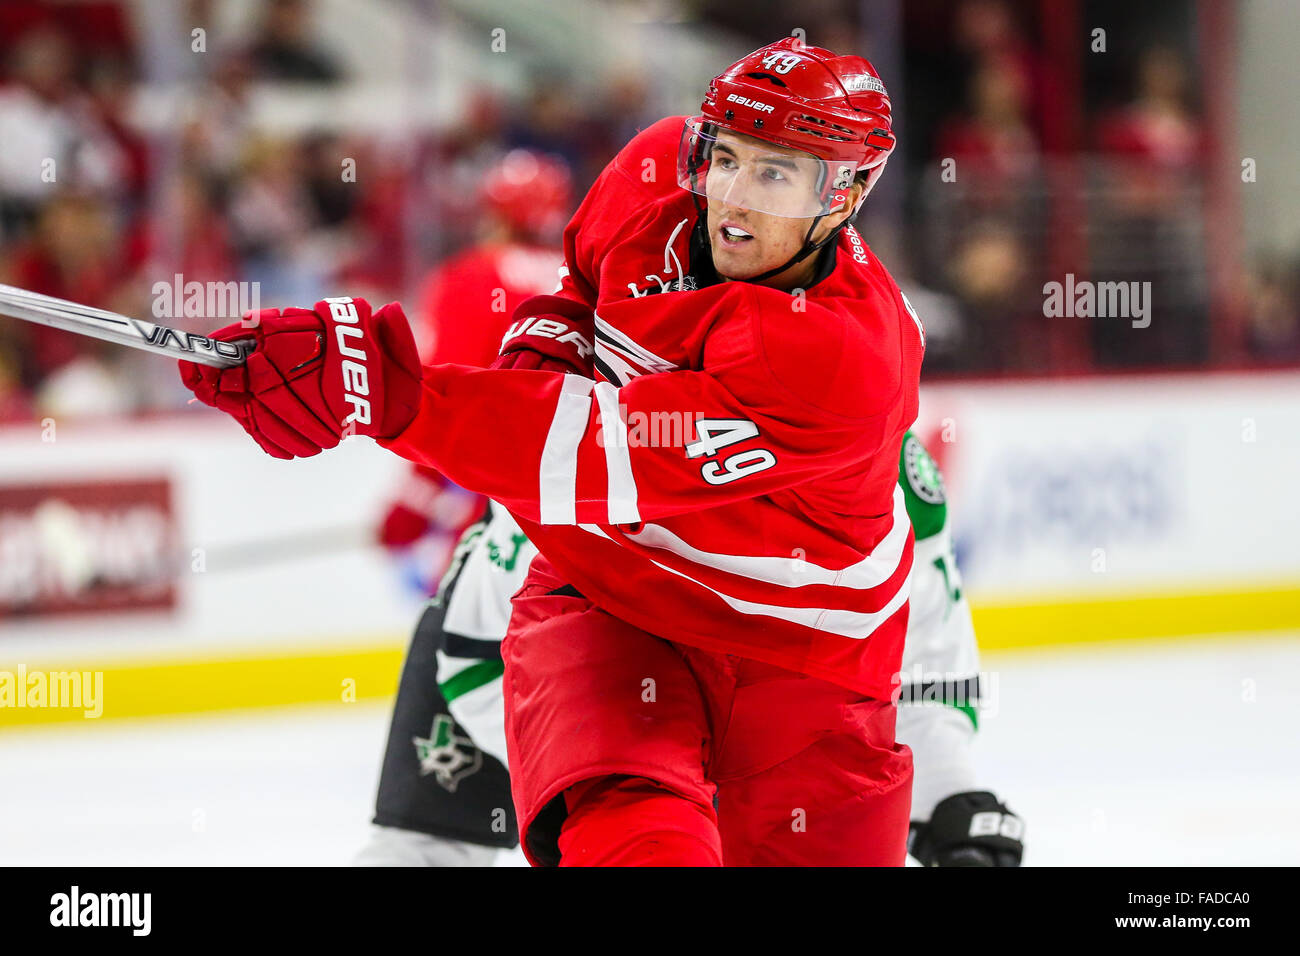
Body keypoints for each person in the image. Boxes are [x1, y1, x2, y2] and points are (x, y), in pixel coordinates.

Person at [180, 38, 926, 866]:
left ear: (849, 190)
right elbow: (578, 297)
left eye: (776, 174)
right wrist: (523, 379)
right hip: (609, 606)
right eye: (726, 157)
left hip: (807, 663)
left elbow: (597, 457)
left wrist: (380, 392)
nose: (732, 199)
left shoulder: (839, 357)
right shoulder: (650, 178)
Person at [356, 429, 1024, 867]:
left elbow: (923, 660)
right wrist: (649, 799)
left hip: (717, 694)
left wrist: (950, 799)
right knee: (419, 856)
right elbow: (483, 654)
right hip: (503, 657)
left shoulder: (886, 469)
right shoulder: (618, 444)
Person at [375, 150, 571, 572]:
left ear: (494, 215)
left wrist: (414, 502)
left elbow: (437, 395)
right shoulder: (583, 277)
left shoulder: (471, 277)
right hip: (582, 504)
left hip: (494, 500)